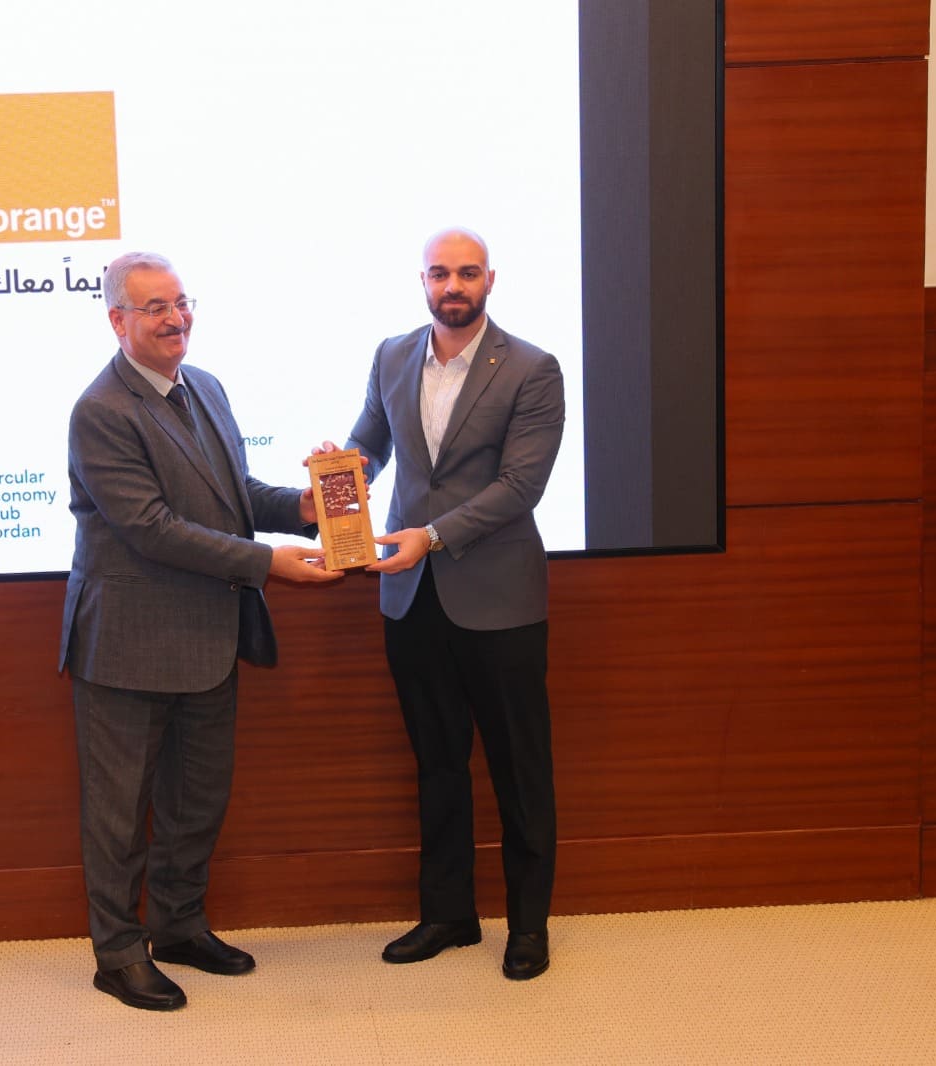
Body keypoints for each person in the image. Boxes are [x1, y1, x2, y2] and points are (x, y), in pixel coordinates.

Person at [59, 250, 342, 1011]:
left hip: (209, 636)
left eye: (181, 302)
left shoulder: (205, 386)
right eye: (154, 307)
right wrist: (268, 563)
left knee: (198, 799)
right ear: (117, 320)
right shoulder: (101, 411)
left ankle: (179, 925)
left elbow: (231, 493)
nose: (174, 318)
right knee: (119, 813)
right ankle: (118, 953)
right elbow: (152, 528)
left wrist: (302, 508)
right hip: (128, 643)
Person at [322, 228, 564, 980]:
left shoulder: (532, 368)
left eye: (466, 273)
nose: (451, 286)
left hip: (499, 600)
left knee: (519, 769)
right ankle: (448, 914)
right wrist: (341, 468)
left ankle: (528, 927)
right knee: (437, 763)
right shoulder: (393, 354)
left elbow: (520, 487)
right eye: (439, 274)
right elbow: (371, 445)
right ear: (422, 281)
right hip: (411, 597)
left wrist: (430, 536)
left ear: (489, 280)